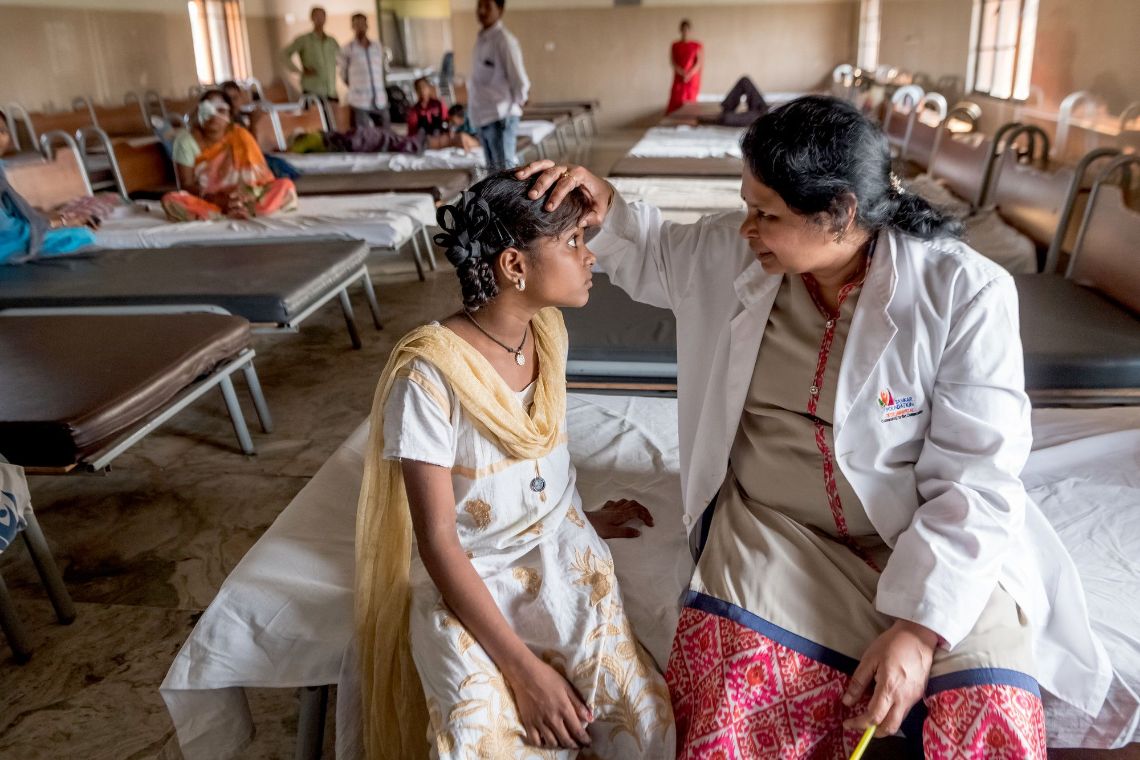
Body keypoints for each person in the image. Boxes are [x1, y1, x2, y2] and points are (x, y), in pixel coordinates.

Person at [518, 95, 1115, 758]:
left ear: (841, 215)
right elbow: (657, 251)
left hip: (920, 530)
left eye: (766, 214)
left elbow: (979, 475)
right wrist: (607, 204)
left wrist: (918, 632)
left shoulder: (963, 293)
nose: (747, 228)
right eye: (748, 205)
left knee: (986, 716)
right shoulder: (737, 254)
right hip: (777, 529)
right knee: (729, 698)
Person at [355, 171, 674, 759]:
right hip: (473, 579)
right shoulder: (427, 377)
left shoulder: (545, 331)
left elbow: (537, 457)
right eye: (574, 242)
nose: (590, 255)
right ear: (514, 265)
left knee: (644, 729)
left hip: (559, 548)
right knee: (484, 742)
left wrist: (572, 512)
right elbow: (439, 542)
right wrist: (525, 675)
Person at [162, 90, 298, 222]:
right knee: (171, 200)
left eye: (221, 110)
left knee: (285, 185)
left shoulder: (240, 135)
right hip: (209, 199)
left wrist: (247, 195)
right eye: (208, 110)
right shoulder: (185, 141)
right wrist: (216, 199)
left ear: (230, 116)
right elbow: (186, 185)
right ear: (199, 113)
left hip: (247, 195)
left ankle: (245, 208)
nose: (214, 116)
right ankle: (226, 211)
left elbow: (260, 176)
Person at [468, 0, 530, 171]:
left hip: (501, 118)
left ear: (500, 9)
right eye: (479, 5)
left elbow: (520, 81)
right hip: (484, 118)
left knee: (504, 176)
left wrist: (513, 108)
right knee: (493, 176)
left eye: (487, 6)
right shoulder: (482, 39)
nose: (481, 10)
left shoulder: (504, 41)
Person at [339, 12, 390, 129]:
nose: (360, 27)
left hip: (380, 99)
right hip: (359, 101)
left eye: (362, 24)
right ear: (352, 27)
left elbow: (383, 69)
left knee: (386, 135)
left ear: (367, 25)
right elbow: (343, 74)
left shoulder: (377, 47)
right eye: (356, 24)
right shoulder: (348, 49)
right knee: (363, 138)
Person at [282, 6, 340, 101]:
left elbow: (341, 59)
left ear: (325, 18)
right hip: (312, 90)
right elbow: (284, 54)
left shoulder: (331, 41)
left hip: (331, 91)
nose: (319, 19)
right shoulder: (304, 40)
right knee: (314, 116)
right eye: (317, 16)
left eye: (322, 16)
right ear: (312, 18)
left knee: (334, 115)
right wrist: (299, 71)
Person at [406, 78, 481, 151]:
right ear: (416, 91)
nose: (422, 91)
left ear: (429, 88)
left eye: (424, 87)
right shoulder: (414, 111)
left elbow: (449, 121)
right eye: (419, 88)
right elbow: (412, 132)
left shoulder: (438, 105)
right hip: (428, 140)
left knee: (461, 138)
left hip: (443, 137)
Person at [666, 19, 702, 115]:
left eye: (687, 29)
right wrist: (682, 73)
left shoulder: (696, 45)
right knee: (677, 99)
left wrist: (689, 74)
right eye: (683, 29)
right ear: (680, 30)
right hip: (679, 77)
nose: (685, 32)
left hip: (691, 79)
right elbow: (673, 62)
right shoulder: (675, 45)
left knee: (690, 100)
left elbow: (698, 63)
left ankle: (689, 122)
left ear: (690, 30)